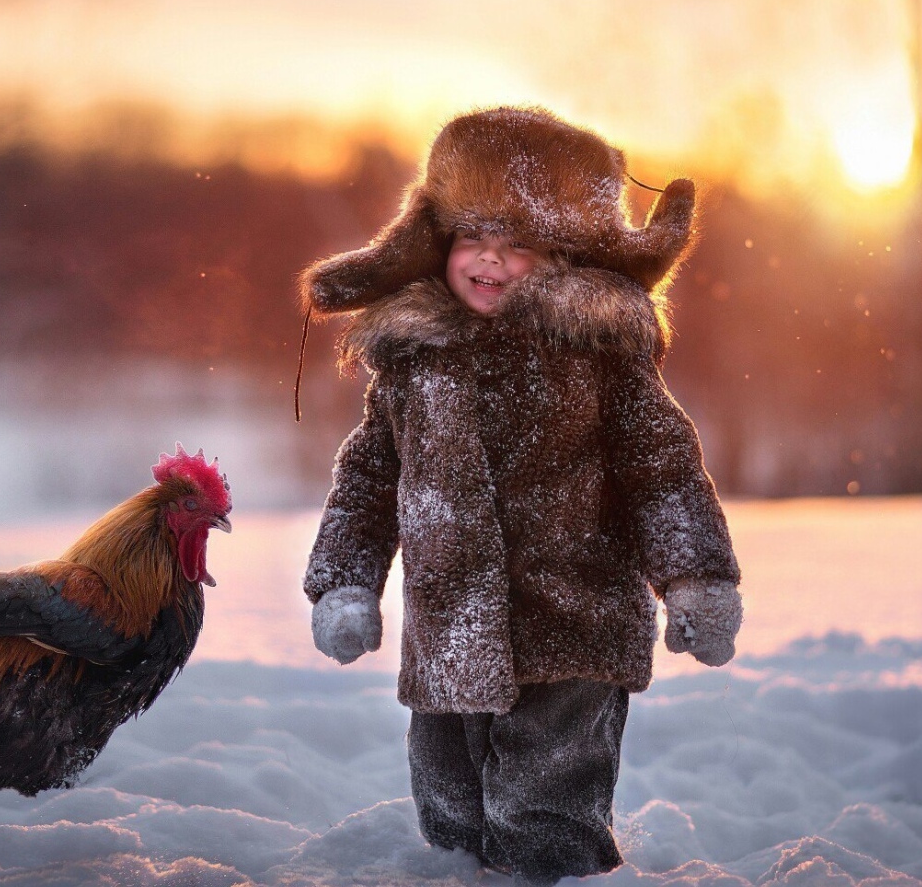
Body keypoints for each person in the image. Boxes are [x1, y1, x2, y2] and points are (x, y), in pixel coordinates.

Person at [299, 107, 742, 883]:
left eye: (521, 245)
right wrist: (344, 582)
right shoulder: (413, 362)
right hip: (448, 634)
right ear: (435, 243)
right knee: (449, 818)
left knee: (544, 819)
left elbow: (661, 472)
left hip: (573, 626)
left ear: (570, 255)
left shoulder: (601, 358)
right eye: (471, 237)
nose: (490, 261)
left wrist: (695, 577)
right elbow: (367, 483)